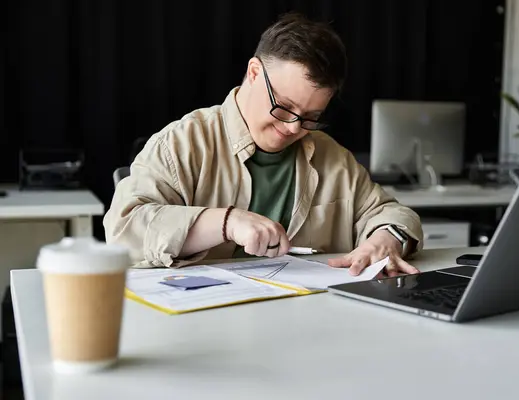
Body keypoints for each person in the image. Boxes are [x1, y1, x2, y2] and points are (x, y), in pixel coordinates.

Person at [104, 12, 424, 277]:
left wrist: (386, 239)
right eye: (283, 107)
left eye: (311, 116)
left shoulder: (332, 157)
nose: (293, 127)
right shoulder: (182, 144)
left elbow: (390, 212)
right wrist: (227, 222)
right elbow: (124, 229)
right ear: (254, 73)